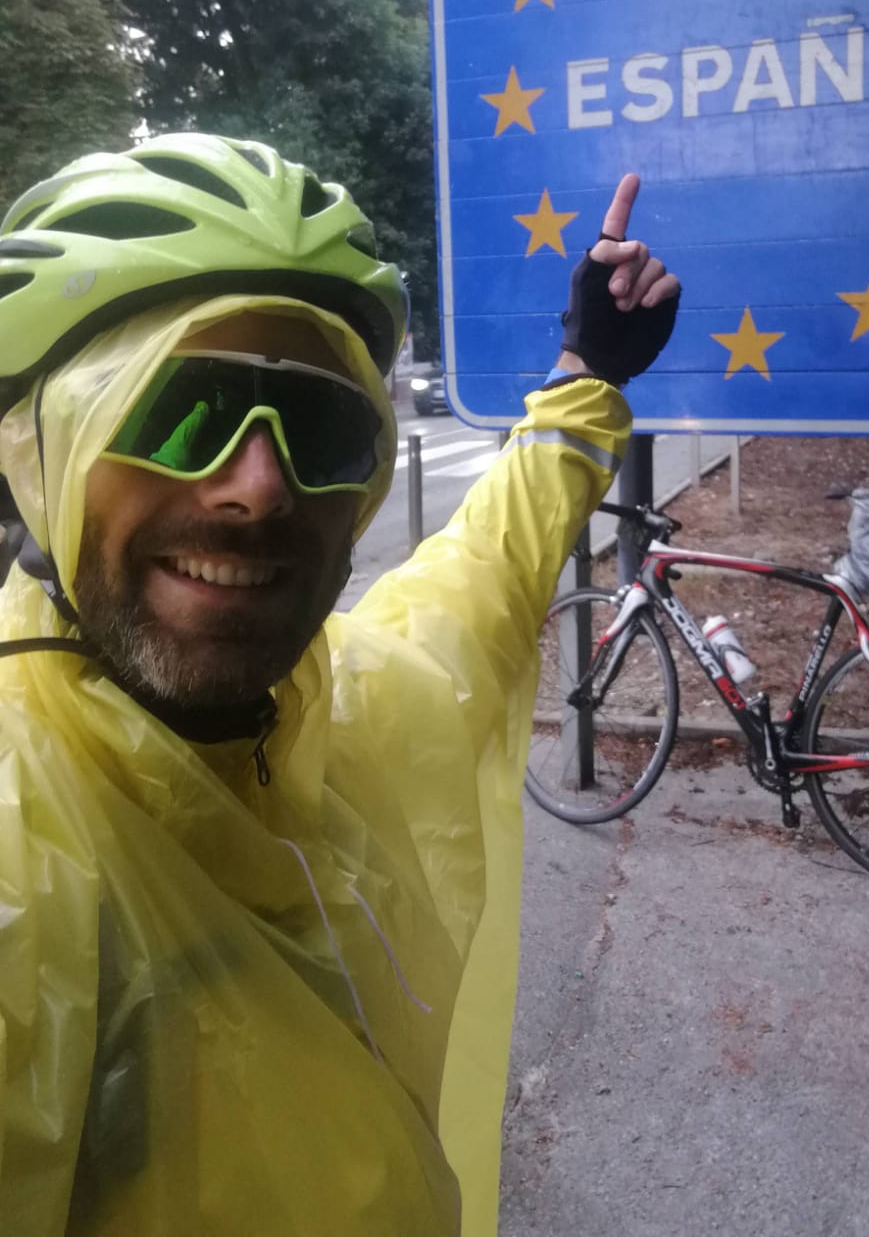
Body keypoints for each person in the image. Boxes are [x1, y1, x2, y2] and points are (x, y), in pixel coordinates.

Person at [0, 134, 679, 1236]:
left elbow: (484, 576)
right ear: (40, 450)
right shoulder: (22, 841)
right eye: (184, 409)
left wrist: (587, 378)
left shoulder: (353, 706)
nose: (260, 488)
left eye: (321, 428)